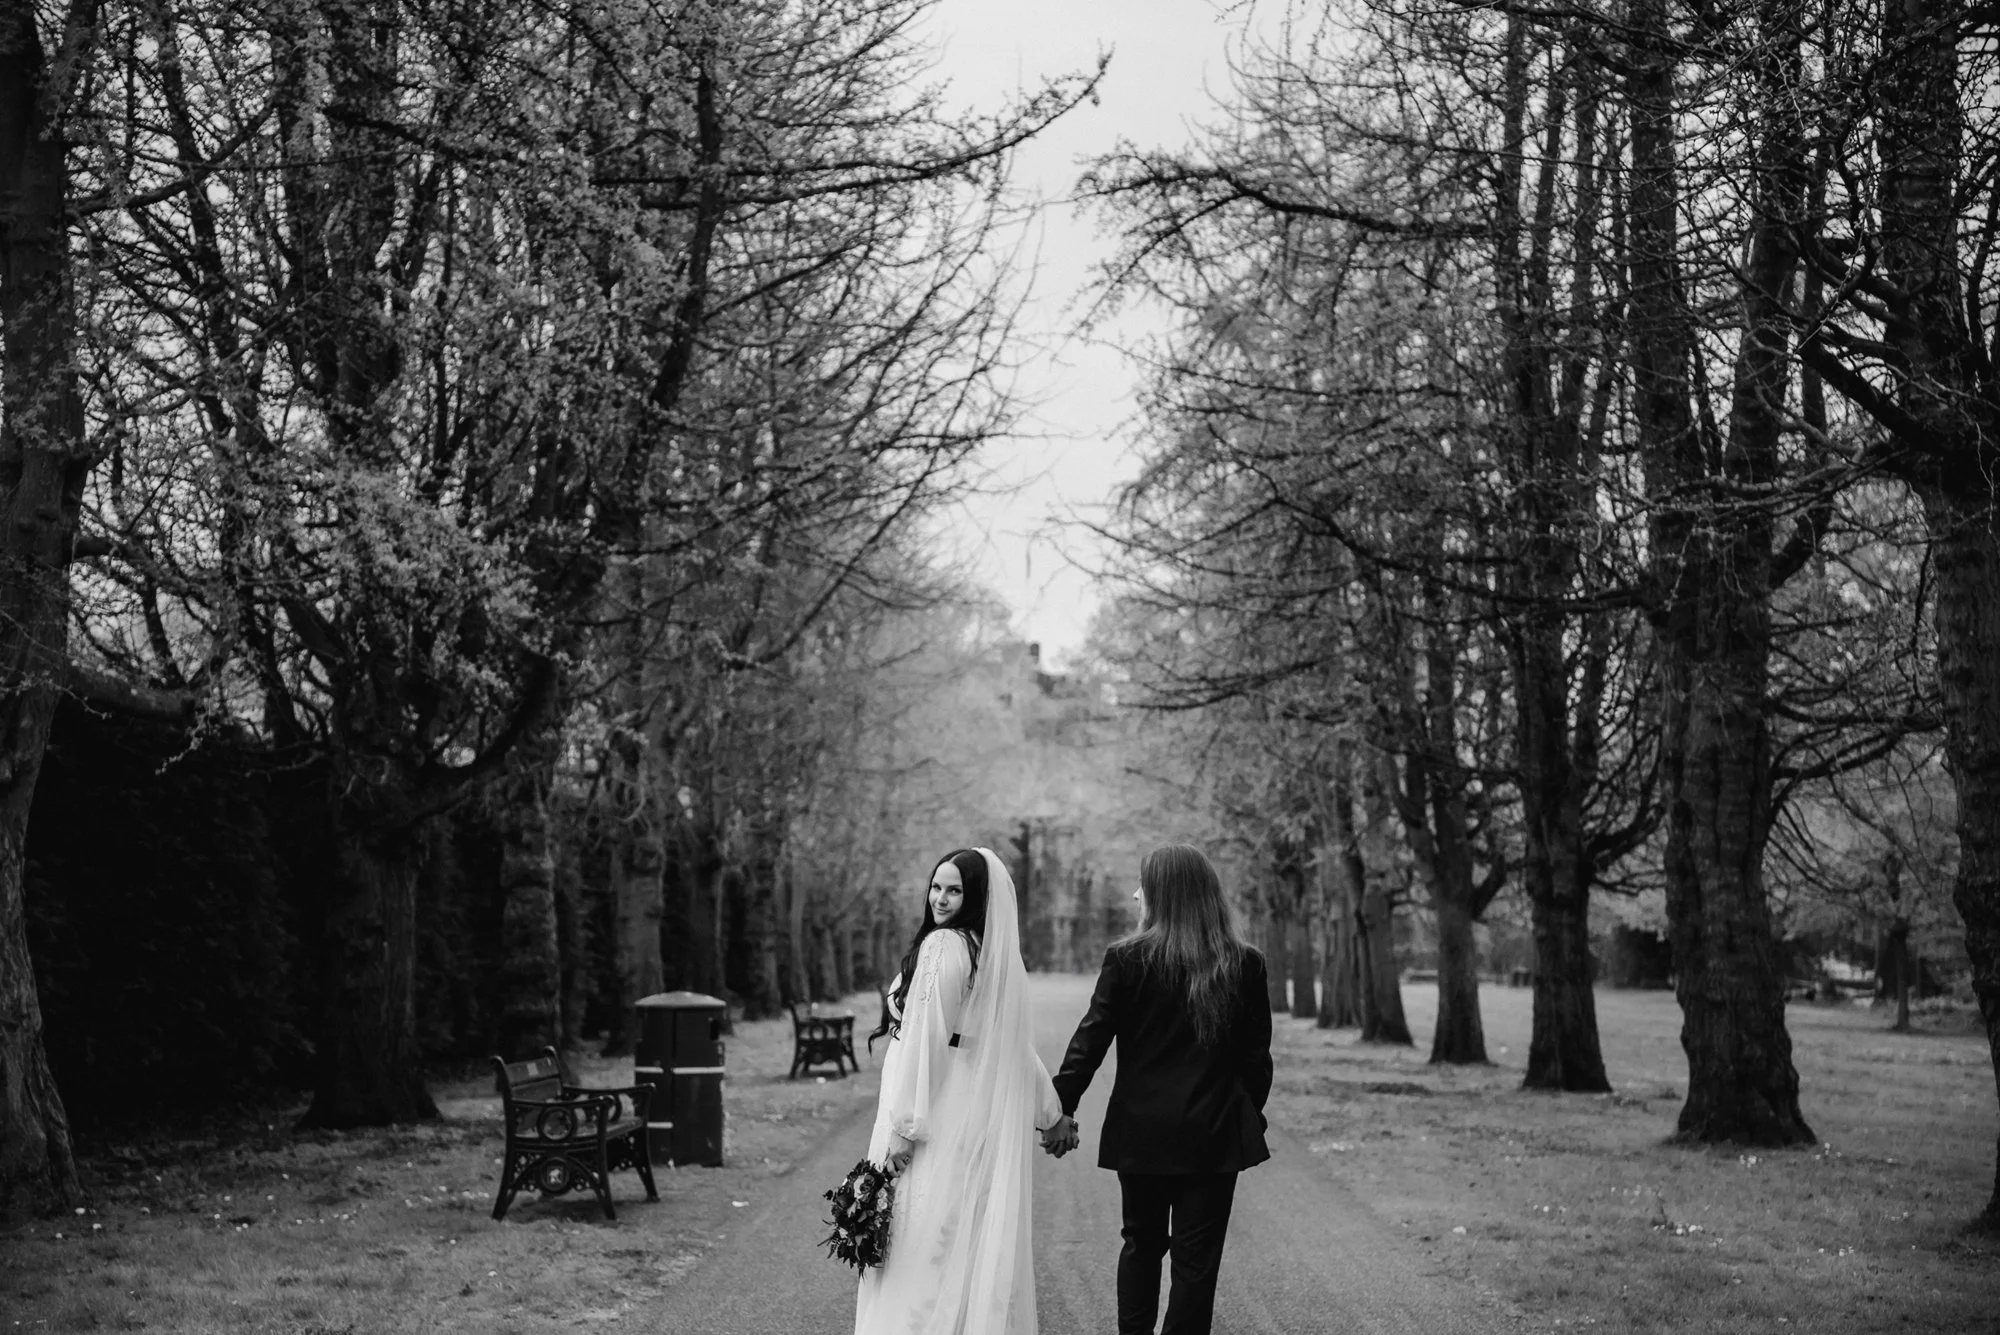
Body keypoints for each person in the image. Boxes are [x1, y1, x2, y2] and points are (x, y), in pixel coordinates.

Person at [1044, 844, 1273, 1335]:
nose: (1135, 894)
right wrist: (1247, 1115)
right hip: (1213, 1135)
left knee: (1141, 1245)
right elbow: (1257, 1061)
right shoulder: (1244, 963)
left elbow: (1091, 1039)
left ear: (1164, 895)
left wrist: (1060, 1109)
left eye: (1143, 886)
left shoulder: (1127, 960)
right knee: (1196, 1265)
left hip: (1141, 1132)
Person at [855, 847, 1066, 1335]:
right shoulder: (981, 950)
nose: (941, 899)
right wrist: (1050, 1113)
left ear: (975, 898)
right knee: (949, 1236)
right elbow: (1011, 1047)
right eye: (936, 887)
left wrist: (906, 1126)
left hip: (933, 1107)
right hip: (965, 1103)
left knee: (917, 1240)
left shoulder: (944, 945)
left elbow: (928, 1039)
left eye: (954, 890)